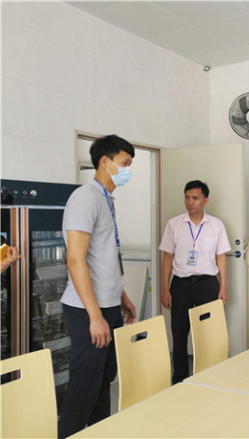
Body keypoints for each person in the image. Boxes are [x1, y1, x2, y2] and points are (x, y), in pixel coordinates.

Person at [58, 135, 137, 439]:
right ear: (105, 162)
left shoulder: (106, 199)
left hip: (108, 305)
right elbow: (75, 261)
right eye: (125, 163)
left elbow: (103, 258)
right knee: (84, 389)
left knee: (103, 383)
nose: (128, 169)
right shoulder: (85, 198)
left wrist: (121, 297)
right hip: (87, 310)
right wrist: (95, 316)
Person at [159, 180, 231, 384]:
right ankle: (179, 379)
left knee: (208, 333)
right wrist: (165, 289)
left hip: (207, 285)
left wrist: (223, 287)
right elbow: (167, 258)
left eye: (195, 198)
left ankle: (208, 377)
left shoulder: (216, 225)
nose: (190, 202)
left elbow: (221, 258)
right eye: (187, 197)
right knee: (179, 333)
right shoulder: (174, 224)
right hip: (180, 286)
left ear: (205, 200)